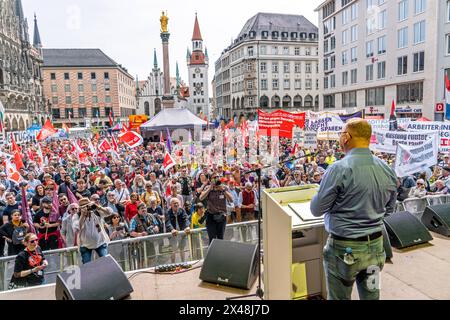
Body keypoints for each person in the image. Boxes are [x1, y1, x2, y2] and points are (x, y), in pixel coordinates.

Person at [310, 118, 397, 300]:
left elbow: (317, 209)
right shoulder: (386, 168)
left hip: (343, 251)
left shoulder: (338, 169)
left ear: (346, 137)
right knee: (372, 295)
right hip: (375, 248)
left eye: (341, 134)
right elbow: (389, 209)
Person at [72, 198, 114, 264]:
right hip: (85, 245)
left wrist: (98, 206)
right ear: (80, 208)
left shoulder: (96, 211)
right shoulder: (76, 216)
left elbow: (110, 212)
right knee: (87, 266)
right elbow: (78, 227)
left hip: (100, 242)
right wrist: (82, 215)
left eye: (87, 206)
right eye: (83, 207)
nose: (86, 208)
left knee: (106, 262)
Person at [199, 174, 233, 244]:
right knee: (212, 239)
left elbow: (231, 200)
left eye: (218, 177)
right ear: (210, 180)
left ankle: (220, 254)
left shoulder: (224, 187)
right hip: (211, 216)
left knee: (220, 239)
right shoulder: (207, 188)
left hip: (222, 216)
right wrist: (209, 188)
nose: (217, 178)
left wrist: (223, 190)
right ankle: (212, 254)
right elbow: (201, 198)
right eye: (214, 177)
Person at [165, 198, 191, 263]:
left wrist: (187, 227)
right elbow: (168, 222)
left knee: (182, 249)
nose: (176, 204)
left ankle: (183, 263)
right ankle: (173, 264)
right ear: (171, 204)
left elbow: (186, 219)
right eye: (174, 203)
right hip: (173, 233)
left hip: (182, 232)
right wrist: (172, 229)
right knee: (173, 250)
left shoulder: (182, 210)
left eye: (177, 203)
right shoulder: (168, 212)